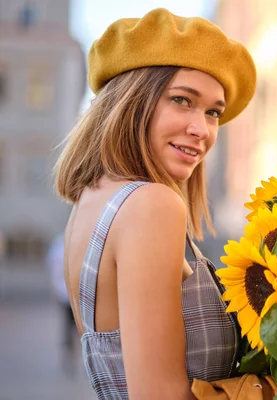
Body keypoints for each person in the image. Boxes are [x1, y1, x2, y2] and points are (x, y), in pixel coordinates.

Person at [53, 8, 256, 399]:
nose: (202, 129)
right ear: (131, 102)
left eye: (213, 111)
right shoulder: (152, 205)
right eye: (182, 100)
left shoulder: (92, 203)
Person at [45, 232, 78, 376]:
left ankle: (73, 354)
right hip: (66, 294)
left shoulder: (61, 244)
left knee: (73, 327)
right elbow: (53, 268)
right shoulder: (60, 245)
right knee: (70, 327)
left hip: (69, 293)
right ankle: (71, 354)